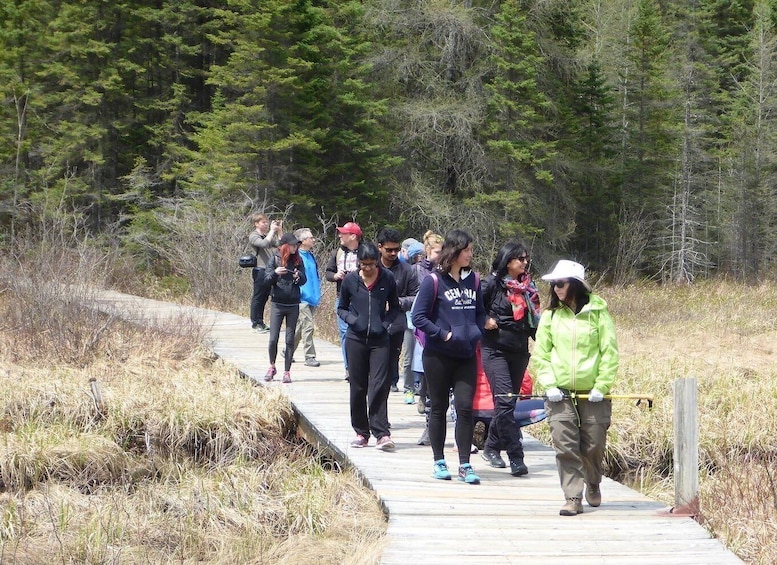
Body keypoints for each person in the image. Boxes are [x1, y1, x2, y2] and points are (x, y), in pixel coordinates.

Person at [531, 259, 619, 516]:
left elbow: (609, 353)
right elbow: (541, 354)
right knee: (565, 444)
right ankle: (572, 497)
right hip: (559, 392)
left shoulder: (599, 314)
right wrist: (548, 384)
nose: (556, 288)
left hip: (593, 393)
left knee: (593, 443)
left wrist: (602, 385)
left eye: (561, 283)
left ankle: (593, 481)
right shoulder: (550, 316)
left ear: (576, 285)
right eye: (554, 284)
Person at [412, 229, 485, 484]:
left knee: (465, 409)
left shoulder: (474, 280)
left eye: (471, 250)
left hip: (466, 355)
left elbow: (480, 313)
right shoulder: (433, 281)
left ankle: (465, 464)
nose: (470, 254)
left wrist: (476, 332)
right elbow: (417, 317)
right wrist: (443, 335)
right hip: (439, 355)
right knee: (438, 408)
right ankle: (439, 460)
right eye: (467, 250)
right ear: (454, 251)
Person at [480, 241, 540, 477]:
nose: (524, 262)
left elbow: (534, 319)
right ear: (508, 261)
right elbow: (473, 309)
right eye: (520, 259)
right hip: (495, 350)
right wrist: (484, 319)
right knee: (505, 401)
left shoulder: (528, 287)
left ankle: (491, 446)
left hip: (519, 349)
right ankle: (516, 455)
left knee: (508, 404)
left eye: (526, 258)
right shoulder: (491, 284)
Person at [338, 241, 401, 451]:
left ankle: (381, 433)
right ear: (358, 263)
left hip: (380, 341)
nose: (368, 268)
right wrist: (354, 321)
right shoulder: (350, 280)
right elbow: (341, 308)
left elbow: (394, 308)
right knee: (357, 386)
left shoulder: (387, 278)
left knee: (379, 385)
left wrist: (384, 324)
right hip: (355, 339)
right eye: (364, 264)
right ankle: (361, 432)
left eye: (372, 264)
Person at [377, 228, 419, 394]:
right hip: (372, 324)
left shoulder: (407, 270)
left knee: (390, 362)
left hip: (396, 324)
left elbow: (416, 297)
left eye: (396, 249)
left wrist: (396, 303)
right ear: (380, 247)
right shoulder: (371, 266)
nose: (393, 253)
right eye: (389, 250)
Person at [263, 233, 307, 384]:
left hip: (293, 304)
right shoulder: (275, 259)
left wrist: (298, 276)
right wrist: (275, 273)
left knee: (289, 339)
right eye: (293, 245)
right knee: (273, 339)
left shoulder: (298, 260)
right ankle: (272, 366)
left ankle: (287, 372)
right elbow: (266, 281)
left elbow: (304, 280)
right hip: (277, 304)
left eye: (297, 245)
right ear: (286, 246)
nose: (296, 247)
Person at [325, 221, 362, 380]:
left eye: (343, 233)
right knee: (345, 333)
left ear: (353, 236)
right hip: (342, 298)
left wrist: (359, 272)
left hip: (362, 298)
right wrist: (336, 276)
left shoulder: (366, 251)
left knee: (362, 332)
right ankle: (349, 368)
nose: (340, 235)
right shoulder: (337, 252)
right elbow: (328, 273)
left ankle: (362, 366)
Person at [292, 228, 321, 367]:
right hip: (301, 297)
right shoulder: (296, 257)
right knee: (308, 326)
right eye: (310, 238)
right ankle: (310, 356)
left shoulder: (311, 256)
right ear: (302, 241)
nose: (313, 240)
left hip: (313, 296)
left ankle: (288, 350)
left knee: (300, 326)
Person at [249, 213, 282, 332]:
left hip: (269, 270)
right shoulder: (254, 236)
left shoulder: (267, 235)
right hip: (259, 269)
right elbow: (264, 244)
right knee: (258, 297)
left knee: (264, 297)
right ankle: (255, 322)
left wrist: (279, 231)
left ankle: (261, 322)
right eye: (263, 222)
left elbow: (280, 244)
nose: (266, 224)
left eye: (267, 222)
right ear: (256, 224)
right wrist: (272, 231)